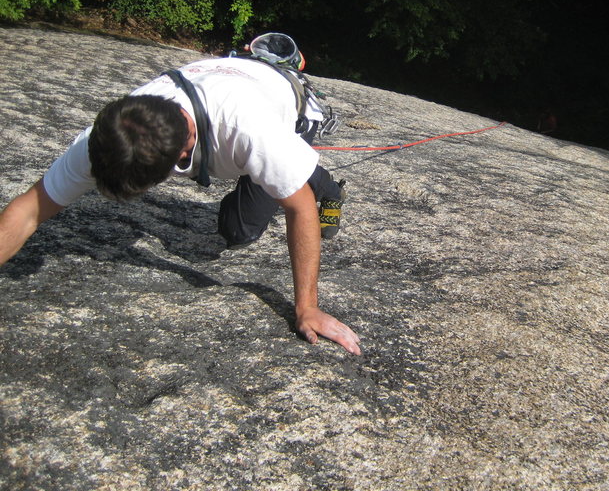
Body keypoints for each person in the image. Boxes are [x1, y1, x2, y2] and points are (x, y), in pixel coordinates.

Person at [0, 38, 362, 355]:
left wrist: (307, 308)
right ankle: (277, 170)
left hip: (281, 100)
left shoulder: (250, 131)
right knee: (266, 174)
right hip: (227, 81)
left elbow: (299, 208)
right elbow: (29, 210)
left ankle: (328, 189)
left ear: (183, 152)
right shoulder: (113, 133)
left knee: (242, 229)